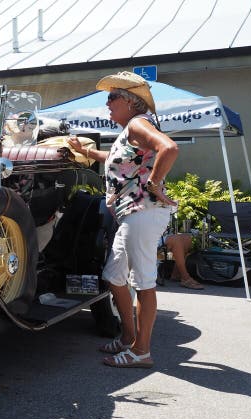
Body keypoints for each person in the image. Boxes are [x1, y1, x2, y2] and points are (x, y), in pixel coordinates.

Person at [67, 71, 179, 369]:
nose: (107, 104)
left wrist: (155, 184)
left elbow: (169, 148)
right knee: (114, 277)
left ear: (131, 101)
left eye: (112, 98)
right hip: (132, 214)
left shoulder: (137, 123)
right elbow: (119, 159)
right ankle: (129, 338)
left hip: (142, 212)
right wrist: (86, 151)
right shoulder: (133, 127)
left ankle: (141, 352)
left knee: (143, 283)